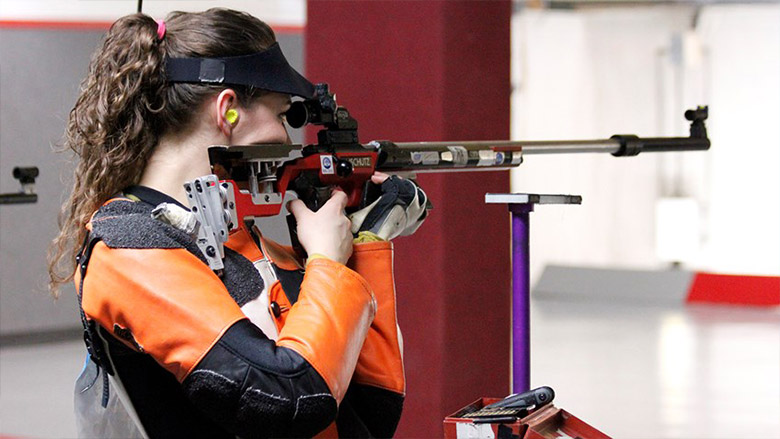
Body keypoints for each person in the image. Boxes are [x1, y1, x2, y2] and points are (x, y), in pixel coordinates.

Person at [48, 8, 427, 438]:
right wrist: (328, 263)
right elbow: (290, 402)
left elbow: (369, 413)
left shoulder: (236, 238)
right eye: (282, 114)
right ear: (228, 110)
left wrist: (365, 246)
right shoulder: (128, 247)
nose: (287, 138)